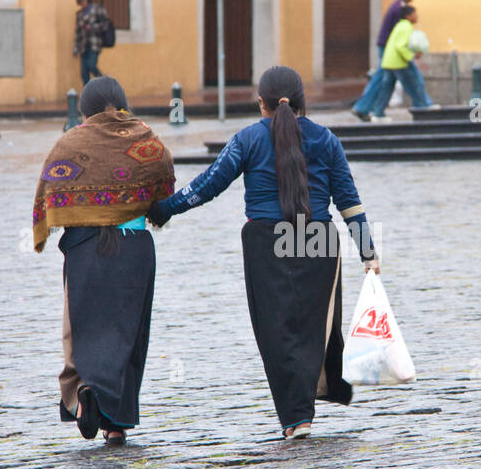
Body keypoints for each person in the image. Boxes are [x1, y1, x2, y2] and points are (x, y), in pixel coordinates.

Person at [148, 65, 380, 440]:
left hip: (266, 244)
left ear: (261, 105)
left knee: (276, 333)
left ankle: (295, 418)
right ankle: (307, 408)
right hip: (318, 242)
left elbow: (208, 185)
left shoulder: (247, 140)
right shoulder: (327, 140)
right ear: (303, 103)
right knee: (310, 329)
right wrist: (368, 252)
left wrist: (163, 209)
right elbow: (349, 201)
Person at [32, 76, 175, 444]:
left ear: (85, 111)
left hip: (85, 247)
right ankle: (117, 422)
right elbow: (163, 188)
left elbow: (49, 189)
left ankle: (85, 392)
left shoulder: (70, 142)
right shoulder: (147, 139)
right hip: (135, 247)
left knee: (85, 328)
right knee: (129, 334)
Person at [350, 0, 416, 121]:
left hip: (386, 47)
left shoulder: (397, 6)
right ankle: (362, 107)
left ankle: (372, 109)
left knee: (384, 80)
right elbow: (398, 34)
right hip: (387, 48)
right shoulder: (400, 9)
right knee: (380, 78)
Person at [368, 4, 435, 118]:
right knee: (413, 85)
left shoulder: (399, 25)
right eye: (415, 14)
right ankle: (422, 108)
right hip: (399, 63)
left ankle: (378, 113)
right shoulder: (406, 27)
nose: (417, 16)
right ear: (408, 16)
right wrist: (412, 56)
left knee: (387, 89)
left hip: (389, 62)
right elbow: (400, 46)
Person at [72, 0, 114, 85]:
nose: (82, 3)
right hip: (83, 46)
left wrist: (92, 27)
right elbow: (77, 33)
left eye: (84, 0)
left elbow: (106, 24)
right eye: (80, 1)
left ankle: (104, 83)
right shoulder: (79, 14)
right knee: (84, 72)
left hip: (94, 44)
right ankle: (87, 95)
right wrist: (75, 49)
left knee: (91, 65)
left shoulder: (97, 9)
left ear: (88, 0)